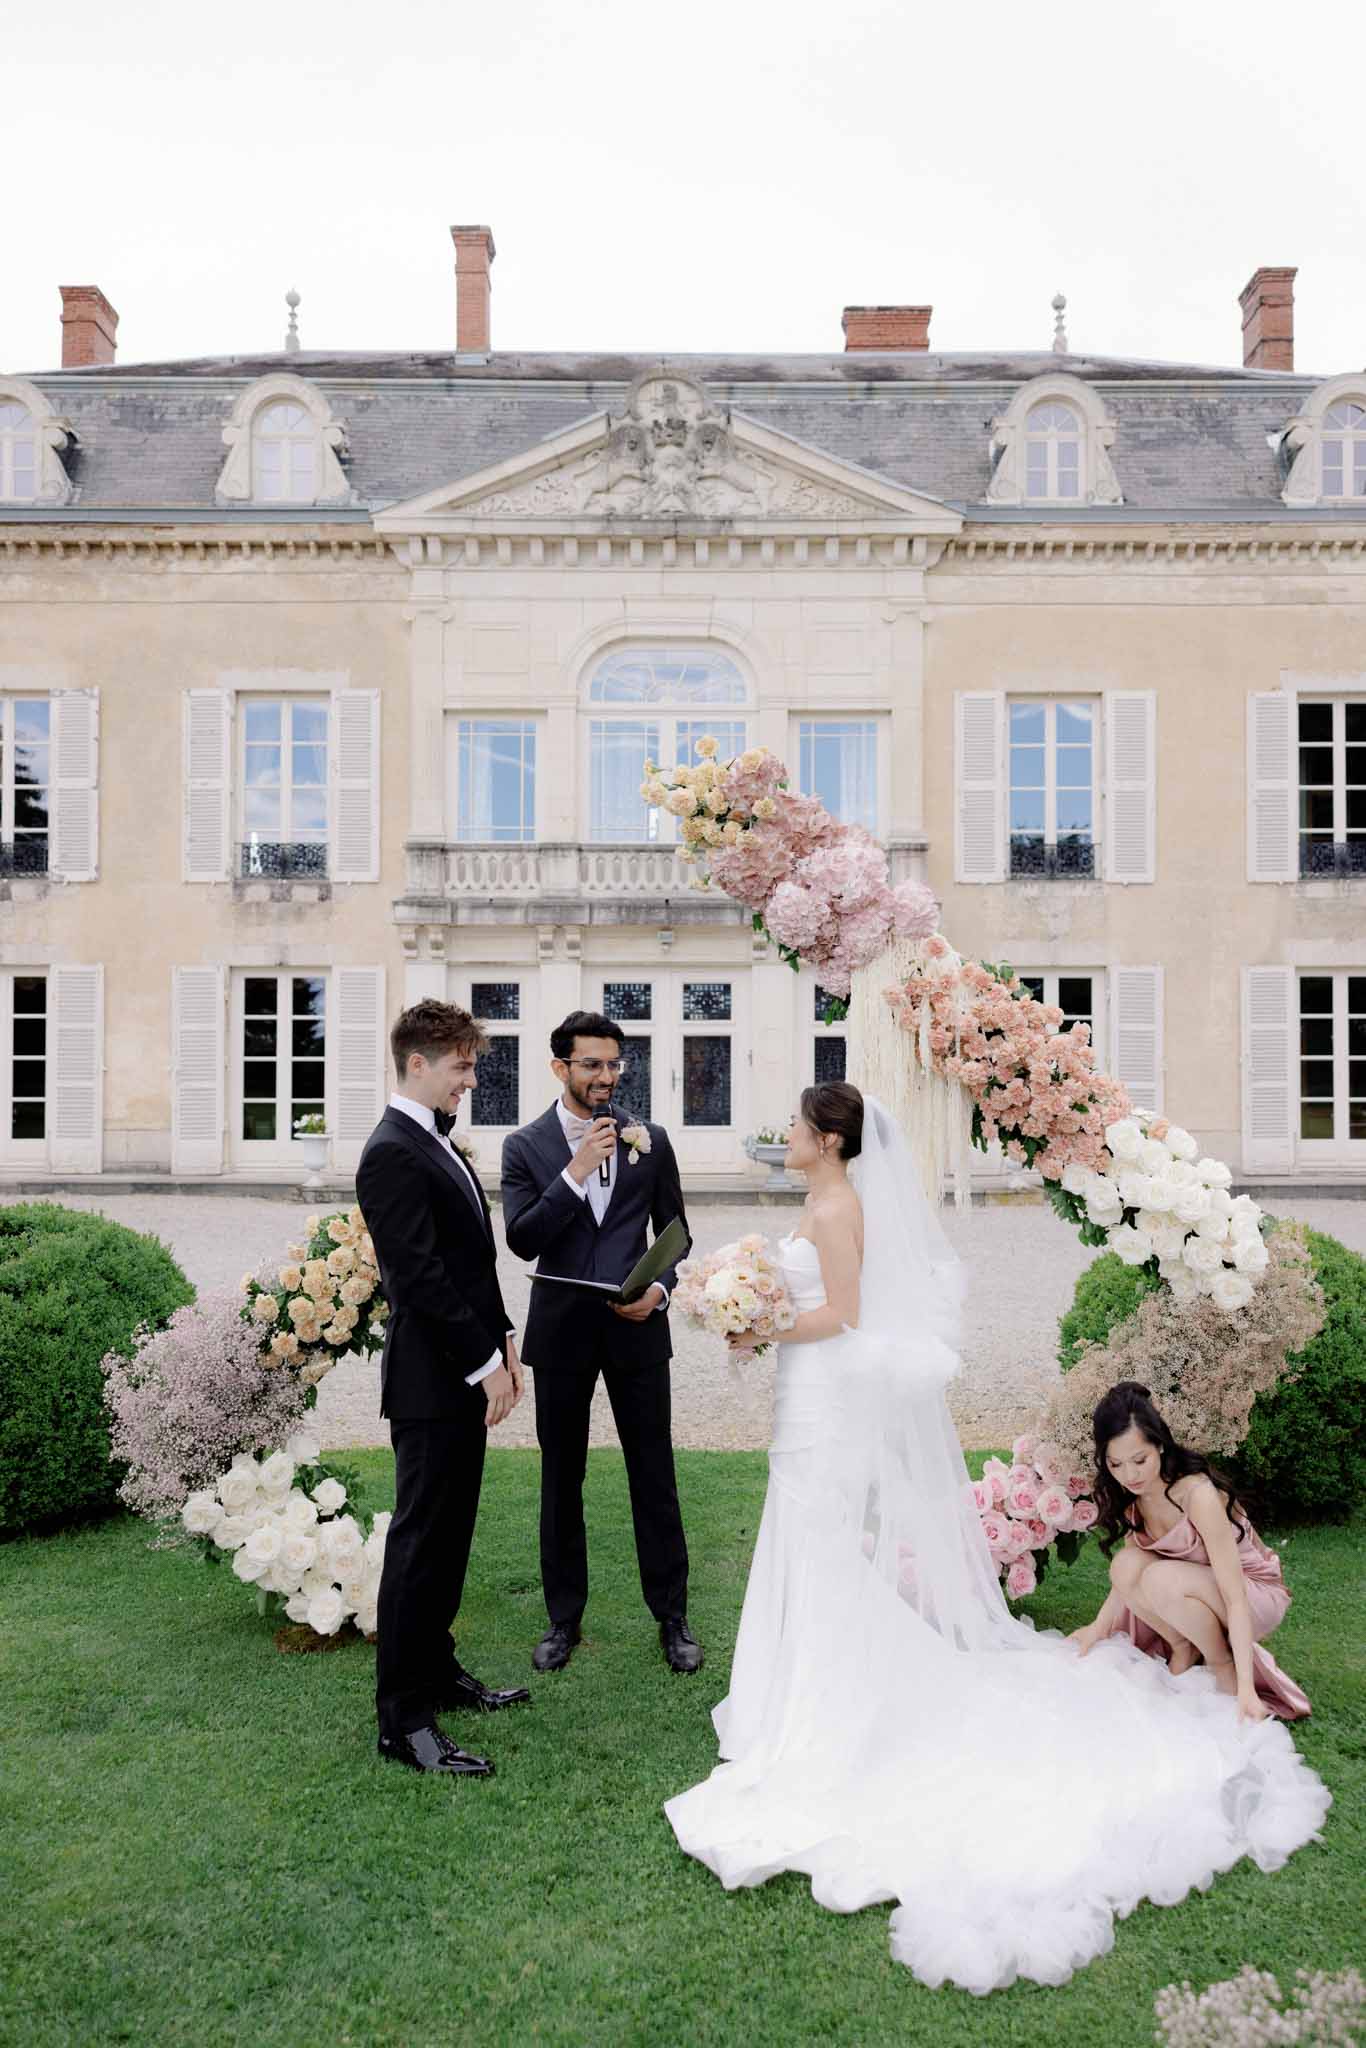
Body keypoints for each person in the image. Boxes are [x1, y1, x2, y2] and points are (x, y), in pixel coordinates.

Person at [664, 1082, 1330, 1995]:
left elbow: (845, 1316)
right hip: (802, 1395)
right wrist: (749, 1312)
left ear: (826, 1140)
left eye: (795, 1128)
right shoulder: (817, 1199)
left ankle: (821, 1709)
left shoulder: (837, 1202)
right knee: (803, 1547)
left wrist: (758, 1319)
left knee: (815, 1546)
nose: (784, 1136)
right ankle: (793, 1692)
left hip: (822, 1402)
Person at [357, 1000, 530, 1778]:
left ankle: (439, 1669)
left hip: (464, 1368)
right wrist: (476, 1363)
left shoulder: (437, 1142)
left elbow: (472, 1260)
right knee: (419, 1544)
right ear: (418, 1063)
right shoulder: (391, 1150)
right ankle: (403, 1719)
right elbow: (417, 1276)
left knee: (452, 1536)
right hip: (431, 1382)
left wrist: (503, 1342)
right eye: (461, 1067)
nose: (470, 1080)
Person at [500, 1010, 697, 1676]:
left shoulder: (653, 1140)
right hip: (561, 1333)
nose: (606, 1077)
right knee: (562, 1479)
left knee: (654, 1475)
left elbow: (678, 1234)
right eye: (591, 1064)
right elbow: (523, 1237)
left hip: (638, 1329)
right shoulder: (524, 1147)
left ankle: (673, 1617)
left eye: (614, 1064)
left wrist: (661, 1289)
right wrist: (577, 1170)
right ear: (560, 1067)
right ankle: (564, 1620)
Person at [1070, 1381, 1311, 1720]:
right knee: (1125, 1564)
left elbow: (1236, 1595)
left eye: (1140, 1460)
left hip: (1251, 1593)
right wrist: (1098, 1627)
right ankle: (1181, 1645)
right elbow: (1124, 1582)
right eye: (1116, 1465)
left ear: (1161, 1447)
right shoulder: (1134, 1500)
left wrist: (1245, 1685)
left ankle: (1219, 1663)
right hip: (1189, 1589)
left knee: (1158, 1576)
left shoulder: (1196, 1495)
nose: (1130, 1474)